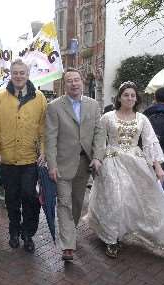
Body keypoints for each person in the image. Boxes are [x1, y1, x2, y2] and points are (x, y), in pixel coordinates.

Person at [87, 81, 164, 258]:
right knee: (115, 198)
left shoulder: (142, 119)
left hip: (135, 162)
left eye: (133, 95)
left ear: (137, 98)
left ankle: (133, 230)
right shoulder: (108, 117)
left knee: (137, 199)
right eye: (126, 95)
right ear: (119, 97)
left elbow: (150, 142)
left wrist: (158, 167)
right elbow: (99, 141)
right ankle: (111, 239)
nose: (130, 98)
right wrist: (97, 160)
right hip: (112, 161)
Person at [0, 59, 46, 253]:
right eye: (15, 73)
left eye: (22, 73)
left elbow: (45, 129)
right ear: (10, 75)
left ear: (28, 75)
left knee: (29, 196)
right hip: (8, 160)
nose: (19, 76)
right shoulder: (0, 99)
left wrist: (44, 150)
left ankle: (28, 233)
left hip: (30, 159)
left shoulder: (39, 98)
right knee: (11, 198)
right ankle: (14, 229)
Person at [45, 68, 104, 261]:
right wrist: (51, 164)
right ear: (65, 84)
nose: (74, 83)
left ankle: (71, 231)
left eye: (77, 80)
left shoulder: (93, 105)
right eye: (69, 80)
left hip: (84, 162)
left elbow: (99, 133)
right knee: (64, 202)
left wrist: (97, 157)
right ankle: (68, 245)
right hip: (62, 163)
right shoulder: (54, 107)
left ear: (81, 82)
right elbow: (50, 138)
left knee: (78, 202)